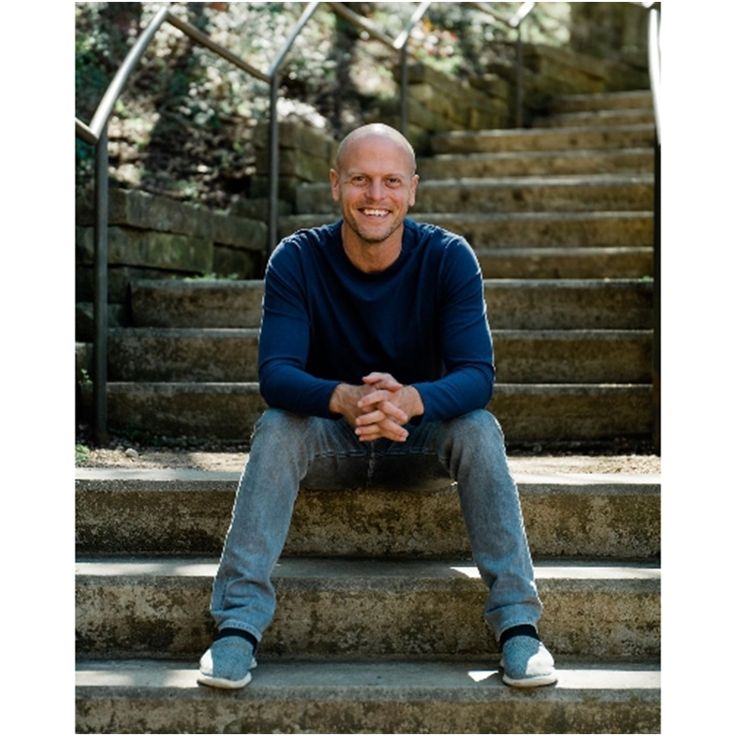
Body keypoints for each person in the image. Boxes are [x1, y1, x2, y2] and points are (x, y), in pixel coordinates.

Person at [197, 123, 557, 690]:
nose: (375, 195)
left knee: (479, 428)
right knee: (277, 426)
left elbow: (477, 376)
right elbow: (276, 375)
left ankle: (518, 627)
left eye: (391, 181)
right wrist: (345, 398)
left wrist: (411, 399)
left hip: (420, 442)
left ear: (412, 189)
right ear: (335, 184)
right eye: (360, 179)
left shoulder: (448, 258)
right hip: (329, 444)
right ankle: (237, 627)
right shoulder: (297, 259)